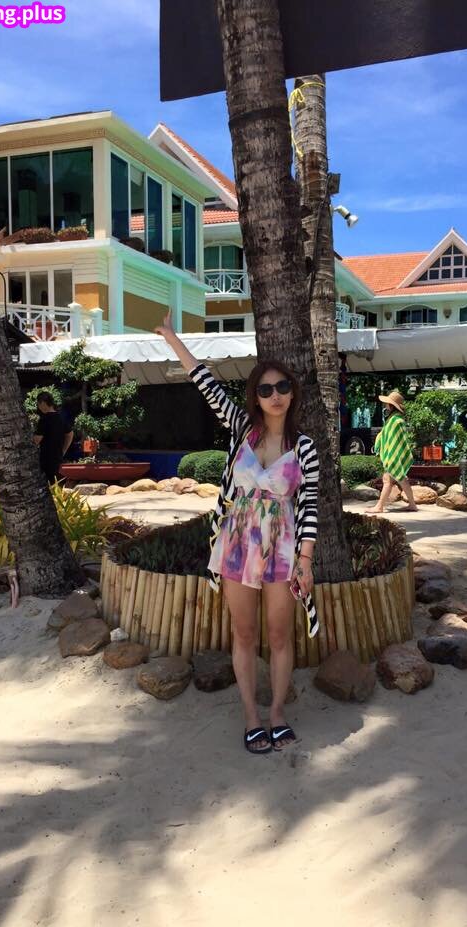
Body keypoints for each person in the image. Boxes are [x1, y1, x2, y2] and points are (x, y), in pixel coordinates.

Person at [155, 309, 319, 755]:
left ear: (292, 393)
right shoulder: (241, 430)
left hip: (283, 547)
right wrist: (170, 337)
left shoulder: (304, 447)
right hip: (238, 543)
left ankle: (277, 712)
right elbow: (204, 382)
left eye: (282, 387)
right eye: (265, 390)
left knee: (280, 635)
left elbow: (310, 507)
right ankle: (251, 716)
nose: (275, 395)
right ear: (256, 397)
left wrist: (305, 561)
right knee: (244, 634)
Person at [366, 390, 417, 514]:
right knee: (402, 479)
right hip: (396, 454)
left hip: (394, 455)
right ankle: (412, 505)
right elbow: (392, 438)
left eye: (387, 403)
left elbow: (395, 441)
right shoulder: (396, 419)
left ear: (392, 405)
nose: (385, 405)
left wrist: (390, 454)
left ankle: (379, 507)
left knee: (387, 480)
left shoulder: (395, 420)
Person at [33, 392, 74, 484]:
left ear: (43, 403)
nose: (38, 407)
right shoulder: (60, 417)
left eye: (38, 404)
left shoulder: (44, 420)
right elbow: (70, 433)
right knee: (56, 482)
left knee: (48, 483)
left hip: (46, 457)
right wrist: (63, 450)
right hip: (58, 456)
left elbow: (36, 440)